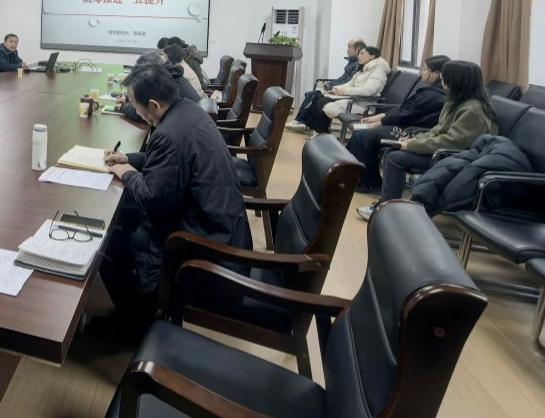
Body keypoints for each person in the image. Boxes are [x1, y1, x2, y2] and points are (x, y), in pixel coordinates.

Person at [98, 64, 250, 340]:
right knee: (123, 219)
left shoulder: (169, 134)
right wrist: (129, 159)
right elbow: (169, 163)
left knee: (109, 245)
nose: (137, 113)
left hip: (206, 248)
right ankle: (137, 309)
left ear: (154, 105)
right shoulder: (188, 111)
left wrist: (126, 172)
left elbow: (153, 201)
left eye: (137, 107)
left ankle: (136, 325)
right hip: (222, 229)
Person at [357, 60, 498, 220]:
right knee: (392, 151)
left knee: (395, 158)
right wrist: (413, 139)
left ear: (457, 80)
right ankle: (388, 205)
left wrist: (413, 145)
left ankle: (387, 210)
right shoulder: (455, 101)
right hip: (445, 152)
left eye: (446, 76)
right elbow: (437, 130)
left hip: (456, 158)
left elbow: (453, 142)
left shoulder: (473, 110)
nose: (442, 79)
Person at [347, 55, 450, 192]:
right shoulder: (431, 91)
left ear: (437, 73)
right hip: (405, 124)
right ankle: (357, 176)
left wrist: (380, 122)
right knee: (362, 134)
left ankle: (368, 181)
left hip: (412, 130)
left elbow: (407, 114)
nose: (422, 72)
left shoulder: (433, 96)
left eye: (425, 69)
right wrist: (381, 116)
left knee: (363, 136)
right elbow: (405, 109)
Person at [287, 45, 389, 135]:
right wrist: (336, 89)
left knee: (322, 101)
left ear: (372, 56)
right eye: (359, 54)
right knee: (319, 96)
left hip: (363, 104)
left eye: (362, 53)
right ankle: (315, 129)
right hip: (353, 98)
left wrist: (345, 91)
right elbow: (350, 83)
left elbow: (369, 90)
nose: (359, 56)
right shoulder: (364, 69)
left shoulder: (378, 70)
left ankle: (322, 132)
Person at [286, 38, 366, 130]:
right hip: (339, 90)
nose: (347, 50)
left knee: (314, 95)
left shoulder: (357, 65)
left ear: (358, 49)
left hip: (344, 94)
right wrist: (330, 84)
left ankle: (301, 122)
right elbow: (342, 79)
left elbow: (347, 83)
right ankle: (302, 122)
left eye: (349, 47)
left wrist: (331, 87)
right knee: (311, 94)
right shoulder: (352, 63)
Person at [118, 53, 200, 122]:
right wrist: (130, 97)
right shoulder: (169, 75)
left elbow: (147, 113)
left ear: (151, 71)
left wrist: (123, 107)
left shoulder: (166, 83)